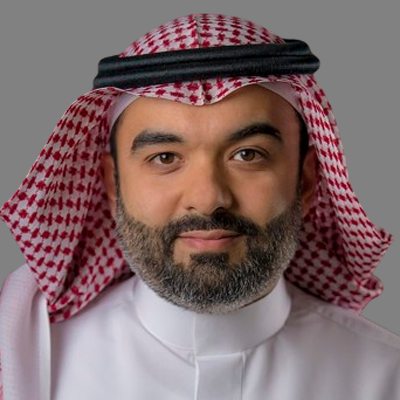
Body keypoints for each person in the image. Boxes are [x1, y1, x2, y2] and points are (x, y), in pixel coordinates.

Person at [0, 13, 399, 400]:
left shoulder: (386, 377)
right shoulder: (29, 371)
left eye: (247, 154)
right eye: (165, 158)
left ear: (306, 181)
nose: (208, 199)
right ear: (112, 184)